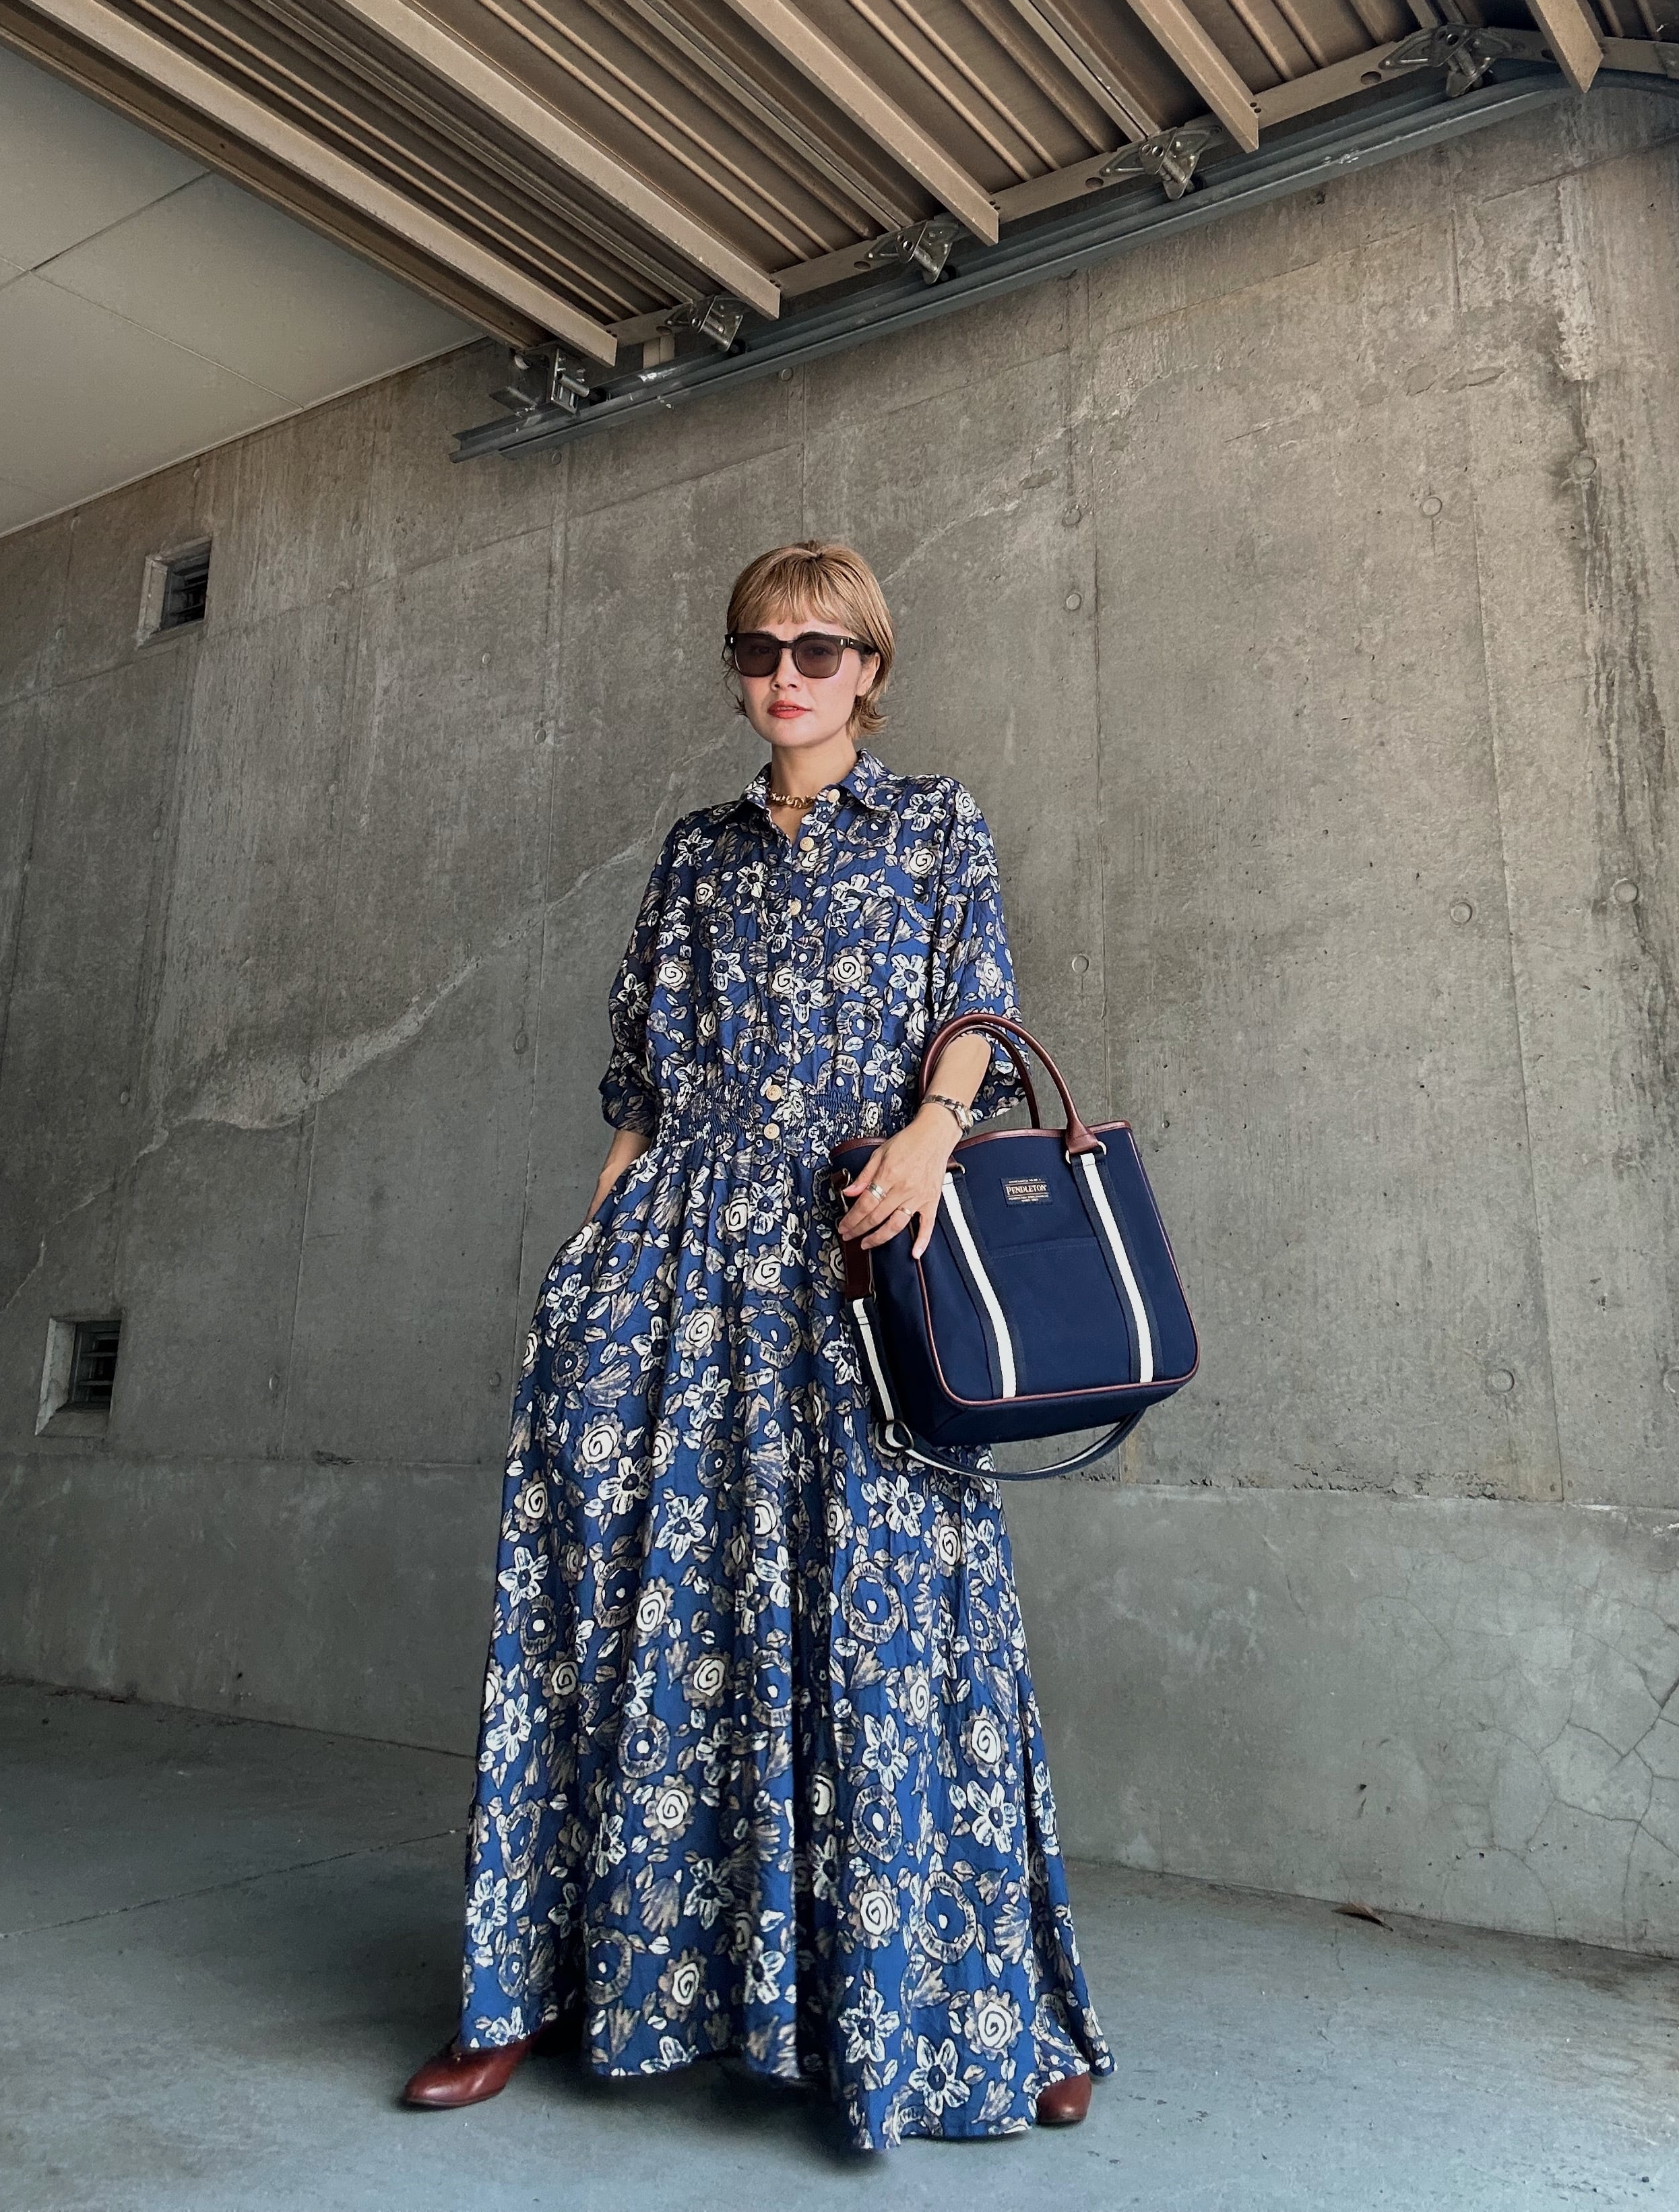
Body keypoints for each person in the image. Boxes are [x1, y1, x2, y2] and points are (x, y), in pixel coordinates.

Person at [402, 540, 1111, 2151]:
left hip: (861, 1243)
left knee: (898, 1623)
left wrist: (930, 1134)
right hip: (683, 1250)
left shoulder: (932, 822)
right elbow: (642, 1082)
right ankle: (542, 1985)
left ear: (869, 667)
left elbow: (976, 1010)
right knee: (635, 1602)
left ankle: (984, 2008)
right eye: (756, 648)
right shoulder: (695, 849)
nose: (784, 675)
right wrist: (591, 1253)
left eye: (816, 648)